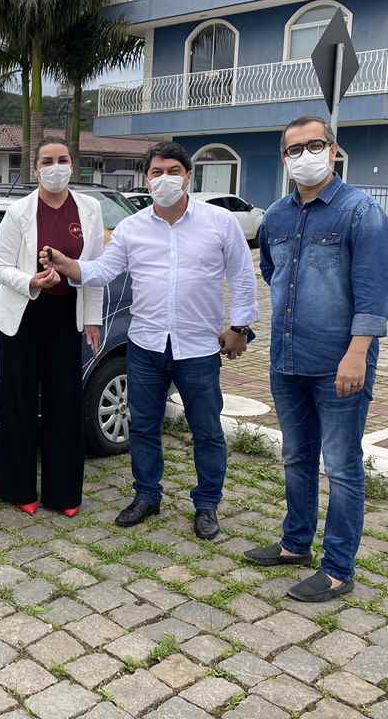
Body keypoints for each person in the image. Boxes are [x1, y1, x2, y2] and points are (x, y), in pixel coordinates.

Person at [43, 141, 257, 540]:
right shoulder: (131, 228)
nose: (164, 179)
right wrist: (67, 265)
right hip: (146, 346)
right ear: (146, 179)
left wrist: (240, 328)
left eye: (173, 171)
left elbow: (242, 277)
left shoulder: (219, 222)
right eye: (156, 173)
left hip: (198, 348)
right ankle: (147, 495)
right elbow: (103, 271)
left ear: (188, 176)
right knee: (142, 426)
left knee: (207, 430)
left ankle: (207, 504)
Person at [244, 117, 388, 602]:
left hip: (340, 366)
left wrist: (357, 353)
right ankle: (295, 543)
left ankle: (337, 568)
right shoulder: (277, 217)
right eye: (294, 149)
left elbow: (374, 293)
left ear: (332, 151)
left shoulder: (360, 212)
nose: (304, 155)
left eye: (314, 145)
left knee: (342, 465)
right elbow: (273, 271)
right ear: (284, 159)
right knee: (296, 457)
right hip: (287, 361)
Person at [0, 138, 105, 516]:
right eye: (47, 161)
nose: (56, 167)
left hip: (66, 318)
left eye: (62, 160)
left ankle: (64, 494)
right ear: (35, 168)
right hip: (24, 316)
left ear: (72, 165)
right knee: (19, 403)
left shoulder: (89, 209)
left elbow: (95, 271)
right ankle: (18, 488)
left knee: (64, 405)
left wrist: (93, 319)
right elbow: (0, 266)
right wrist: (32, 282)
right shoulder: (18, 212)